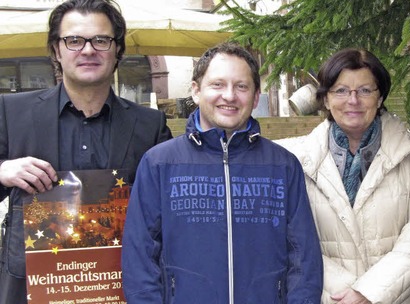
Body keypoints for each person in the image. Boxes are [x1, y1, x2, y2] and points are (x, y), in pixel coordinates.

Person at [121, 42, 323, 303]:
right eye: (217, 84)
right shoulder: (159, 164)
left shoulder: (282, 166)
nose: (229, 96)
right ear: (196, 91)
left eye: (241, 86)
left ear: (255, 95)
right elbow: (140, 257)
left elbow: (303, 257)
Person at [0, 0, 172, 303]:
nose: (88, 50)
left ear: (117, 49)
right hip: (31, 287)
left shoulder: (150, 125)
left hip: (119, 286)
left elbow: (170, 207)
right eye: (74, 40)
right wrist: (2, 171)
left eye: (101, 40)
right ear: (56, 50)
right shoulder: (12, 112)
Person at [277, 48, 410, 304]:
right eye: (340, 91)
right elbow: (291, 242)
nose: (353, 100)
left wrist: (369, 293)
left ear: (380, 97)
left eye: (365, 90)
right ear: (326, 100)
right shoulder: (293, 160)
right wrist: (349, 296)